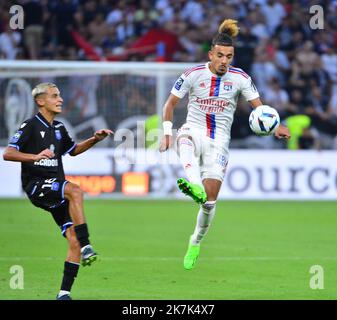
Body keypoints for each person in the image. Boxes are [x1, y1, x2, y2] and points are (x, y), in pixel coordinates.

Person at [159, 19, 291, 270]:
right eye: (219, 55)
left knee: (209, 203)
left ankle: (195, 241)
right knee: (183, 138)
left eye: (228, 56)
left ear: (232, 57)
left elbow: (260, 110)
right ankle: (194, 185)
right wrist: (166, 132)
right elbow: (170, 105)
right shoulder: (192, 74)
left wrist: (277, 127)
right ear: (211, 54)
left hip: (219, 141)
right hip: (195, 129)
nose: (224, 61)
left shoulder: (240, 78)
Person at [3, 83, 113, 300]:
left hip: (55, 189)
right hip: (37, 186)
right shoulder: (30, 126)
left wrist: (94, 139)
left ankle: (64, 293)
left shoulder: (60, 128)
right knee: (75, 190)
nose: (60, 99)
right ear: (40, 101)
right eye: (55, 96)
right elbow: (8, 153)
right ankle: (87, 245)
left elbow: (73, 151)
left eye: (60, 95)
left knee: (72, 237)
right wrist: (34, 156)